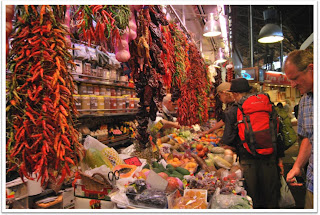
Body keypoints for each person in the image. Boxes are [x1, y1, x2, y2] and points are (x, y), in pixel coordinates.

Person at [224, 78, 283, 209]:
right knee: (271, 197)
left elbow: (228, 139)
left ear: (234, 94)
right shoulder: (266, 105)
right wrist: (279, 159)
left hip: (248, 160)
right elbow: (278, 132)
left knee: (252, 198)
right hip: (270, 158)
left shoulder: (233, 111)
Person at [284, 50, 313, 209]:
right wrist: (297, 166)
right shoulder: (304, 102)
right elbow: (309, 138)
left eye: (295, 78)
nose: (292, 85)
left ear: (311, 68)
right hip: (312, 183)